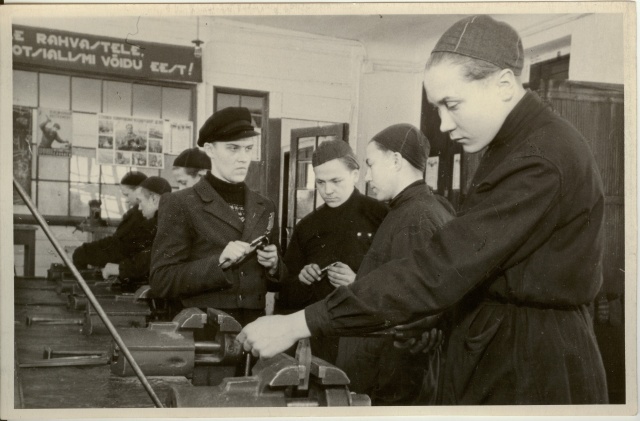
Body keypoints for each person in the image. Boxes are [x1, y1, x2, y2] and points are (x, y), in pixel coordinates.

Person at [238, 15, 608, 405]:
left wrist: (299, 323)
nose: (443, 124)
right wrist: (433, 319)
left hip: (531, 359)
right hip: (509, 343)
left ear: (503, 84)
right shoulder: (517, 145)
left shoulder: (539, 157)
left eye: (451, 104)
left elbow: (441, 267)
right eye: (437, 108)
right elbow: (493, 270)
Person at [335, 124, 454, 405]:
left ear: (397, 160)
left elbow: (412, 313)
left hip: (388, 379)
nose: (367, 175)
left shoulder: (417, 217)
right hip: (383, 371)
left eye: (371, 164)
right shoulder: (412, 210)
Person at [150, 107, 282, 326]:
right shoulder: (181, 203)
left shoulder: (265, 206)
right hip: (203, 330)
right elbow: (161, 280)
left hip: (254, 330)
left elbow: (276, 283)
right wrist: (218, 262)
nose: (243, 158)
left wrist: (275, 266)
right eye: (233, 149)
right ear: (210, 150)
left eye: (248, 149)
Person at [275, 140, 388, 363]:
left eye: (336, 181)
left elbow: (400, 280)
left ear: (355, 175)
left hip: (367, 338)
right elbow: (286, 294)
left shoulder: (381, 215)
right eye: (320, 182)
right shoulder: (307, 225)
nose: (327, 191)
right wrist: (302, 279)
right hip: (320, 341)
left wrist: (358, 281)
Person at [101, 176, 172, 291]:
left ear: (154, 199)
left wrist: (120, 269)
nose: (139, 208)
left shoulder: (170, 223)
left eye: (140, 201)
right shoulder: (159, 221)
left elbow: (151, 257)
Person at [72, 171, 152, 273]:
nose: (126, 200)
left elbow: (120, 247)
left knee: (80, 254)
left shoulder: (141, 214)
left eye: (127, 195)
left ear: (139, 190)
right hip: (127, 258)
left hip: (129, 262)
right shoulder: (137, 212)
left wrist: (86, 251)